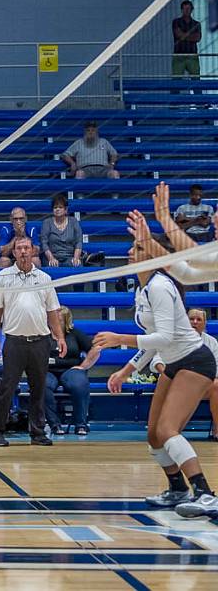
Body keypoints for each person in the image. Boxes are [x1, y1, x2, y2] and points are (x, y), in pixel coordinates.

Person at [96, 217, 218, 518]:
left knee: (167, 429)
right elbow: (155, 343)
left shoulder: (161, 286)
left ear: (152, 255)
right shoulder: (143, 290)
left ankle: (205, 493)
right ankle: (177, 488)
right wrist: (125, 371)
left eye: (137, 247)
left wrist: (118, 338)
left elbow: (163, 337)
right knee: (153, 434)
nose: (129, 252)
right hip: (174, 362)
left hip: (195, 360)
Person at [0, 236, 66, 447]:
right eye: (19, 248)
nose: (23, 251)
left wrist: (59, 336)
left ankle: (38, 432)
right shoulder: (3, 277)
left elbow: (53, 312)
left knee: (38, 388)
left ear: (33, 251)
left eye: (26, 248)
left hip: (40, 342)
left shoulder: (44, 278)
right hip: (14, 342)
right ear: (13, 253)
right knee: (7, 387)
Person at [43, 306, 99, 436]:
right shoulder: (43, 334)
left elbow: (95, 349)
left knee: (79, 384)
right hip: (48, 370)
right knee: (42, 385)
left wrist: (84, 366)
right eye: (53, 320)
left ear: (66, 321)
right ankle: (55, 425)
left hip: (71, 369)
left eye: (59, 321)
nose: (55, 323)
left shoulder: (74, 333)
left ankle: (80, 424)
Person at [187, 309, 218, 442]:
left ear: (205, 324)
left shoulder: (212, 342)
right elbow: (157, 361)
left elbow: (217, 368)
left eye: (199, 319)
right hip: (178, 384)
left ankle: (217, 427)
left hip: (204, 385)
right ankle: (168, 430)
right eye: (191, 319)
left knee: (216, 385)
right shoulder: (174, 338)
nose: (195, 322)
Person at [41, 194, 86, 268]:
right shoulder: (47, 222)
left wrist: (76, 258)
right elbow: (44, 243)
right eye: (55, 207)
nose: (57, 209)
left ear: (66, 210)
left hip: (70, 256)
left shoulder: (73, 221)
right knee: (52, 266)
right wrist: (51, 258)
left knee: (77, 265)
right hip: (51, 256)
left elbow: (79, 242)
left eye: (60, 207)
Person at [172, 0, 202, 79]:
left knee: (196, 80)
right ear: (181, 10)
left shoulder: (196, 24)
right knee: (176, 81)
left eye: (188, 9)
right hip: (179, 55)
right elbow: (179, 35)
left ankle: (198, 92)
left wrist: (184, 35)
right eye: (184, 9)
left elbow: (198, 38)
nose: (186, 11)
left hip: (192, 55)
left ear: (192, 10)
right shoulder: (176, 22)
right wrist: (191, 36)